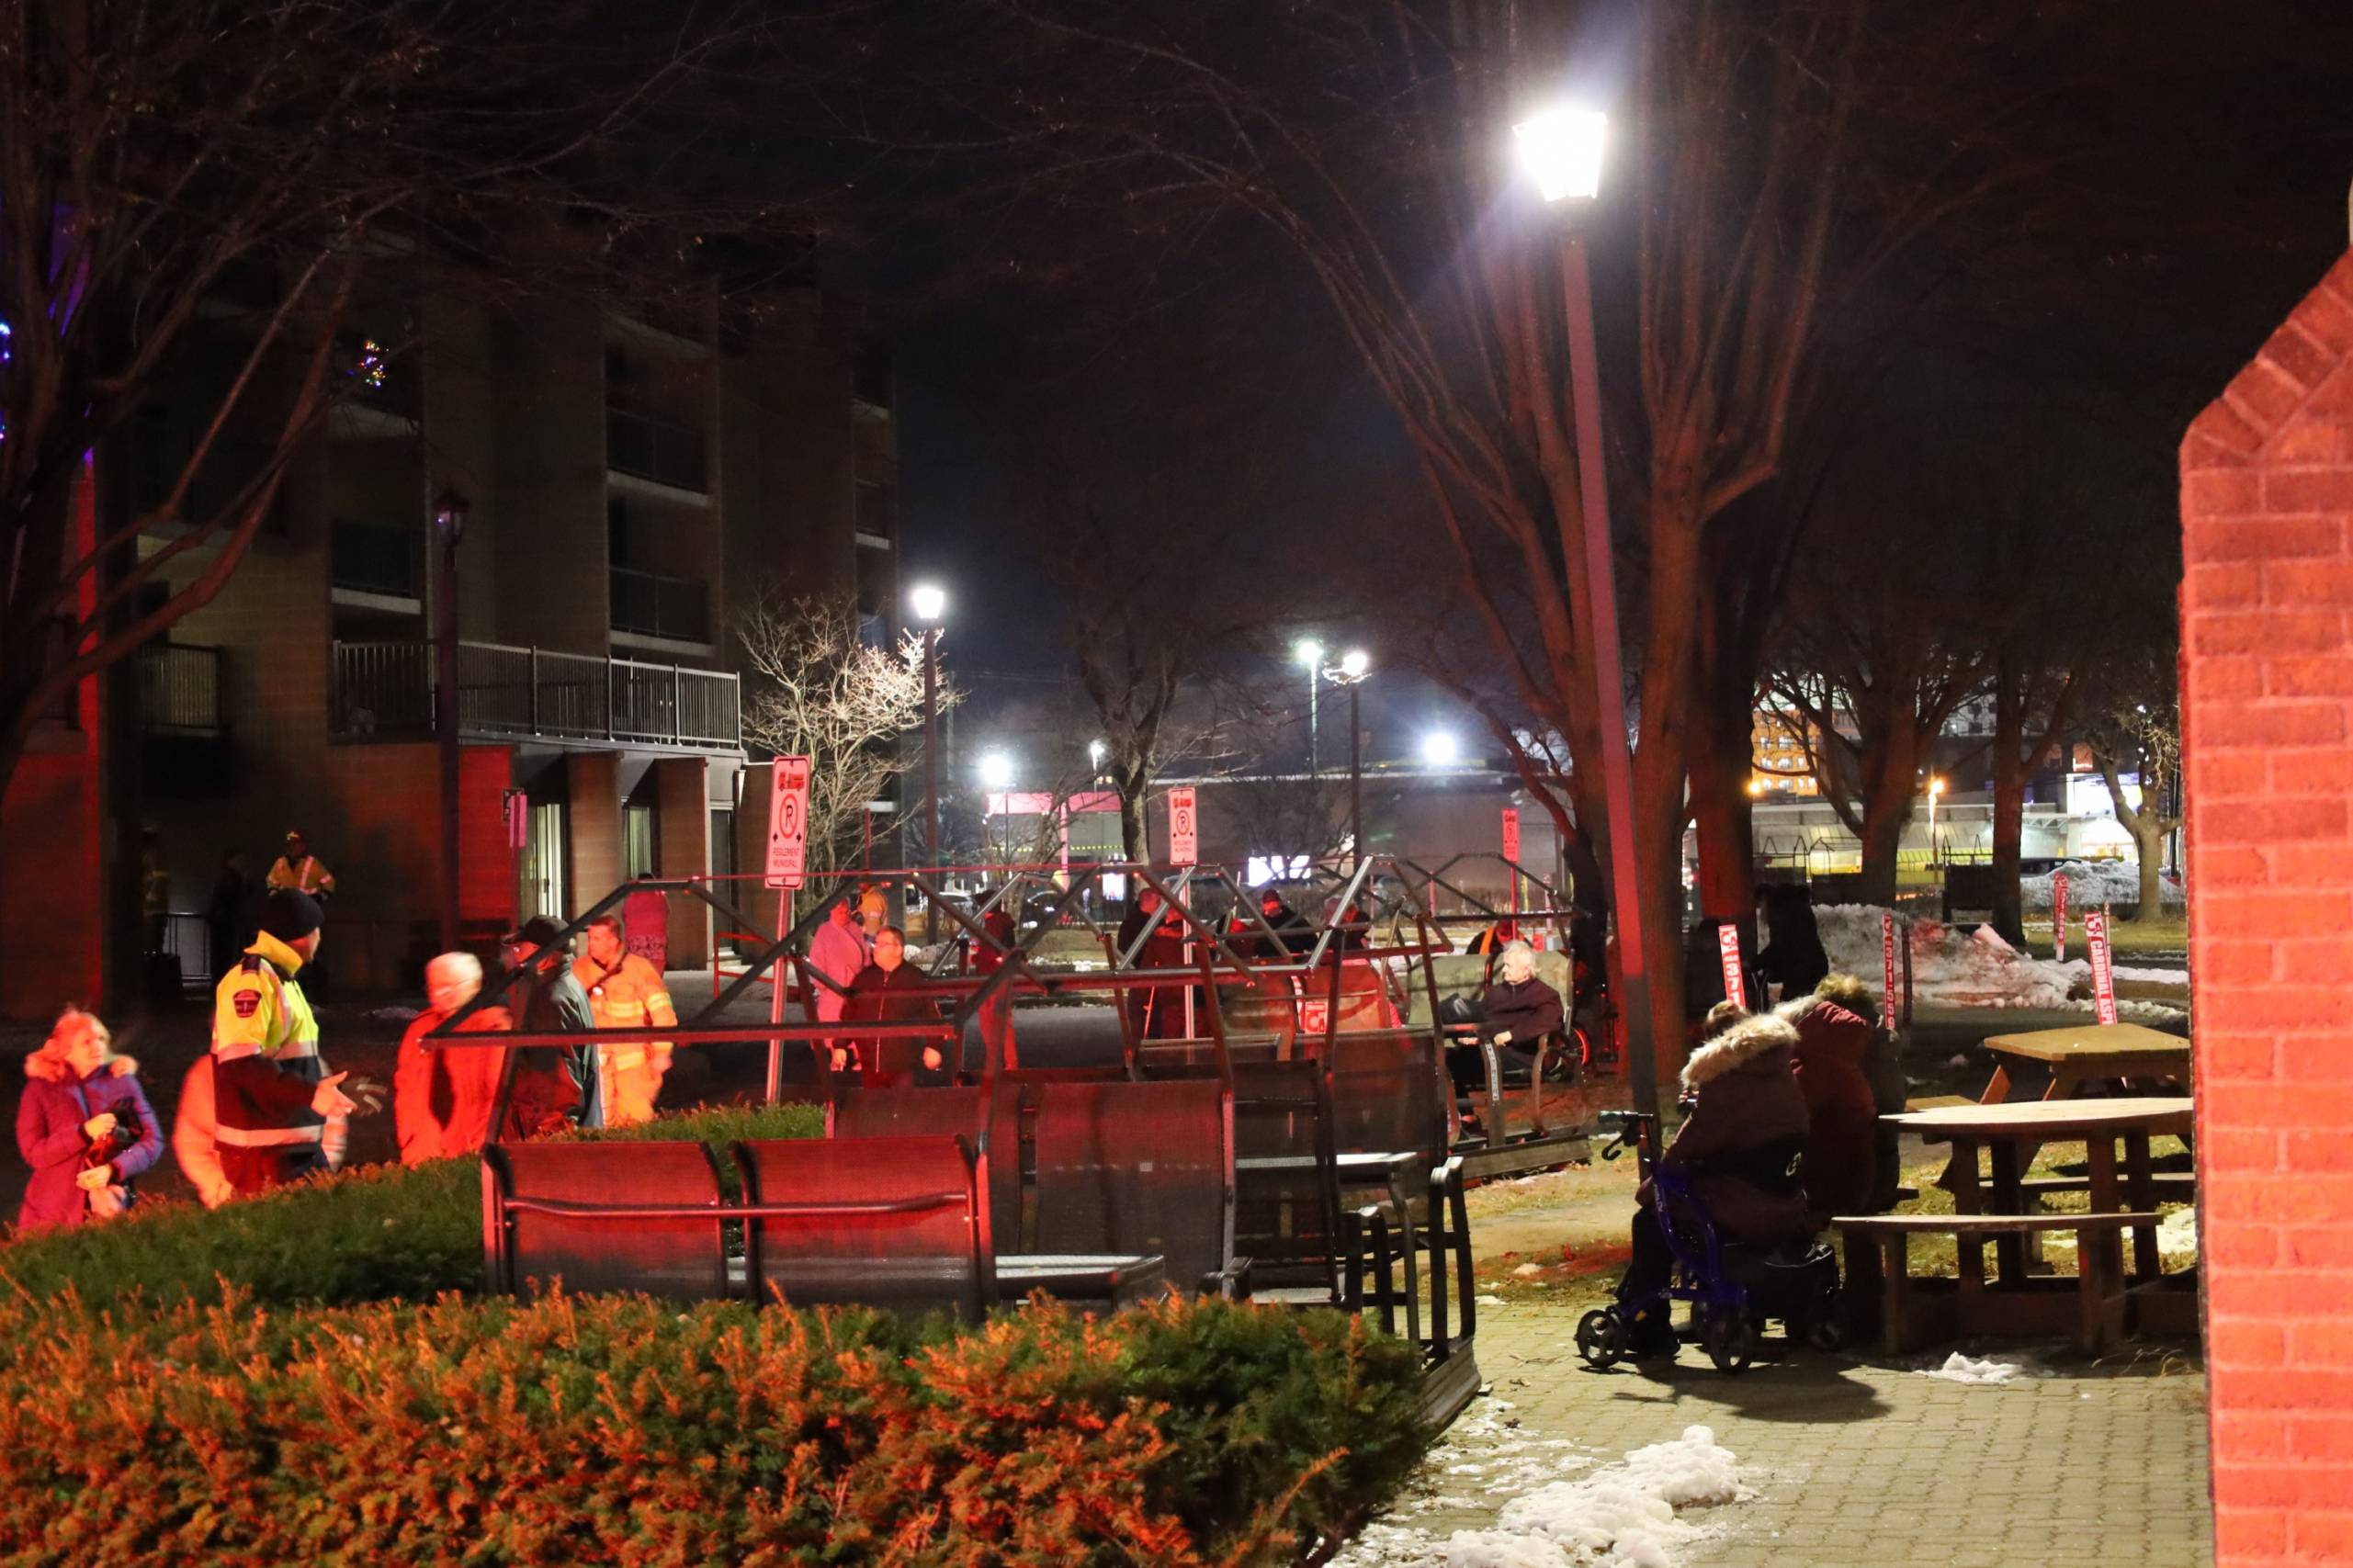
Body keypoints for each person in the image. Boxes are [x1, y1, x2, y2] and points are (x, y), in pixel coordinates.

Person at [1612, 1002, 1811, 1356]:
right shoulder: (1783, 1073)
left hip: (1744, 1205)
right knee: (1684, 1207)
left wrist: (1652, 1188)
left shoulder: (1727, 1084)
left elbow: (1687, 1148)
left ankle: (1645, 1322)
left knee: (1652, 1220)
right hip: (1785, 1200)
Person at [209, 888, 371, 1197]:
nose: (320, 940)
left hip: (287, 1146)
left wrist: (325, 1089)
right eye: (318, 931)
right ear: (305, 935)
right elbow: (240, 1065)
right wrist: (311, 1093)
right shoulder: (252, 980)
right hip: (267, 1154)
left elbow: (283, 1061)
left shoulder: (281, 978)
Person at [16, 1007, 162, 1232]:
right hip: (52, 1216)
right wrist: (82, 1133)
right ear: (66, 1051)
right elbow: (34, 1152)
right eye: (86, 1042)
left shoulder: (123, 1083)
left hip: (110, 1210)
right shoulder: (40, 1089)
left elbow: (153, 1142)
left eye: (101, 1038)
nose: (97, 1046)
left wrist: (113, 1169)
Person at [394, 953, 515, 1166]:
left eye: (451, 985)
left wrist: (481, 1149)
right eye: (435, 987)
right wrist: (409, 1141)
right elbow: (405, 1090)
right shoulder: (420, 1029)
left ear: (475, 985)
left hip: (472, 1153)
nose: (442, 994)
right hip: (423, 1155)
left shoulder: (491, 1027)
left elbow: (497, 1096)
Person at [1777, 976, 1881, 1220]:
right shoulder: (1866, 1046)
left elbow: (1779, 1112)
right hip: (1865, 1171)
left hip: (1825, 1183)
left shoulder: (1819, 1066)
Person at [1449, 941, 1566, 1134]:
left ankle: (1487, 1128)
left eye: (1509, 966)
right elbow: (1483, 1019)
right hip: (1489, 1049)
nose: (1504, 970)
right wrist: (1470, 1036)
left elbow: (1548, 1021)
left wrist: (1513, 1034)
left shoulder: (1544, 995)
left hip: (1522, 1055)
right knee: (1444, 1059)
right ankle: (1466, 1116)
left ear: (1526, 970)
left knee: (1476, 1057)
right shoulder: (1495, 994)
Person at [572, 913, 676, 1126]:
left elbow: (662, 1013)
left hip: (633, 1064)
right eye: (590, 938)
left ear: (613, 941)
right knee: (600, 1123)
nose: (590, 944)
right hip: (596, 1065)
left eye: (597, 939)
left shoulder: (640, 969)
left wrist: (662, 1052)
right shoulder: (579, 970)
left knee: (636, 1118)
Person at [503, 918, 596, 1134]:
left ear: (541, 954)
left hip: (548, 1131)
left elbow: (557, 1082)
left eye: (520, 948)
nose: (515, 955)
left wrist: (550, 1135)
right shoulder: (567, 986)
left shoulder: (550, 1001)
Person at [843, 926, 943, 1087]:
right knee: (873, 1107)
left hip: (903, 1065)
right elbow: (849, 1013)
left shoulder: (914, 978)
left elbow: (933, 1014)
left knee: (902, 1107)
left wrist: (933, 1046)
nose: (876, 948)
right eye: (876, 943)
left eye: (883, 944)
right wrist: (841, 1044)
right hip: (869, 1063)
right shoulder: (864, 979)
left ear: (898, 949)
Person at [808, 899, 871, 1073]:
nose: (845, 915)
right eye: (841, 912)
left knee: (859, 1021)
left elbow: (865, 952)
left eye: (847, 911)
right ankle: (837, 1059)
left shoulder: (855, 928)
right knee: (833, 1022)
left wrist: (867, 973)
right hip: (833, 984)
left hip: (855, 982)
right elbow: (816, 959)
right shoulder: (824, 931)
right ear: (832, 912)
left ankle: (861, 1058)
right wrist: (821, 982)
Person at [1115, 887, 1186, 1039]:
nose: (1162, 907)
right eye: (1158, 902)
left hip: (1153, 988)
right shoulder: (1141, 925)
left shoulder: (1140, 923)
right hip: (1156, 987)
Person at [170, 1055, 235, 1210]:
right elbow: (191, 1143)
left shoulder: (296, 1060)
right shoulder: (207, 1073)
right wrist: (218, 1190)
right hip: (236, 1205)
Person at [1754, 884, 1828, 1004]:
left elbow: (1780, 945)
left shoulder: (1779, 911)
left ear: (1764, 899)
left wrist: (1758, 962)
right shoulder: (1797, 906)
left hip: (1800, 972)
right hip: (1813, 967)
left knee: (1792, 1008)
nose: (1761, 910)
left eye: (1759, 905)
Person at [206, 852, 254, 981]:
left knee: (220, 959)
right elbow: (238, 897)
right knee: (226, 957)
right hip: (227, 922)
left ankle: (218, 985)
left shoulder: (224, 877)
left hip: (222, 921)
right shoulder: (233, 878)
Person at [266, 829, 336, 899]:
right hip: (285, 905)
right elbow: (271, 880)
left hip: (306, 906)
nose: (291, 847)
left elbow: (329, 883)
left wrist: (320, 898)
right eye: (289, 844)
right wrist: (273, 893)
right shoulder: (280, 862)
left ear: (303, 846)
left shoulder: (313, 864)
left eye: (295, 844)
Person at [140, 829, 170, 955]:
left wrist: (149, 897)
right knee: (153, 943)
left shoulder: (152, 856)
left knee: (151, 943)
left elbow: (160, 879)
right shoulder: (153, 856)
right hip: (154, 908)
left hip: (152, 909)